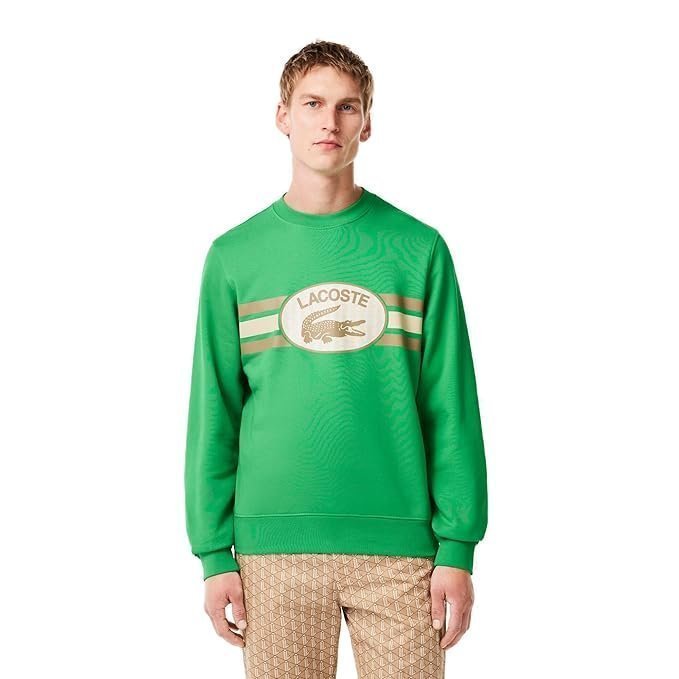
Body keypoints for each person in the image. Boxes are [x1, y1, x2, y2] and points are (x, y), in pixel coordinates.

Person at [184, 39, 488, 678]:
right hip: (273, 551)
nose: (330, 122)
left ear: (367, 123)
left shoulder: (418, 249)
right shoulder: (234, 257)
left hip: (404, 553)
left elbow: (450, 408)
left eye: (347, 106)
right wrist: (213, 554)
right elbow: (215, 413)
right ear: (282, 116)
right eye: (312, 103)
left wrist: (458, 547)